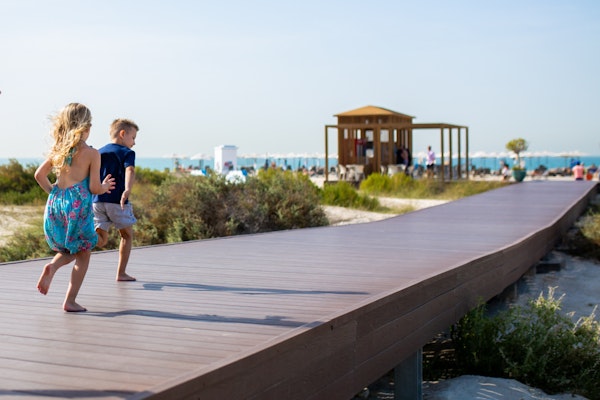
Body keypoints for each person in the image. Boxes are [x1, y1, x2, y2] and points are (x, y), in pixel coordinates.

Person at [34, 103, 115, 312]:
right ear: (86, 127)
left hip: (56, 203)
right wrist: (105, 186)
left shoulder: (59, 150)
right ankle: (70, 301)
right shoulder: (92, 153)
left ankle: (52, 267)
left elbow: (39, 175)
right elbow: (94, 187)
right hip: (78, 207)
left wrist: (53, 192)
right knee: (84, 253)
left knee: (69, 247)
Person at [93, 118, 139, 282]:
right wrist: (127, 189)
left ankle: (83, 238)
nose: (133, 143)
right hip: (117, 201)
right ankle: (121, 273)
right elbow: (130, 170)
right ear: (122, 134)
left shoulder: (98, 152)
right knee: (126, 235)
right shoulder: (127, 153)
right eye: (133, 138)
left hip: (97, 201)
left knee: (101, 240)